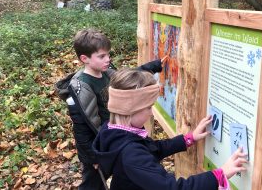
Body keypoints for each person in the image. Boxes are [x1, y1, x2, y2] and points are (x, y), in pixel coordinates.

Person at [93, 69, 248, 190]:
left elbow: (152, 149)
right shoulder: (130, 153)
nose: (151, 112)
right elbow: (171, 187)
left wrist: (189, 138)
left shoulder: (113, 131)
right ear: (131, 109)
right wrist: (219, 175)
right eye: (148, 107)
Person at [55, 28, 165, 190]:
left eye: (108, 54)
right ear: (84, 58)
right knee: (93, 184)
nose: (108, 59)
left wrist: (152, 66)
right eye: (102, 56)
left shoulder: (106, 73)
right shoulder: (81, 87)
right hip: (96, 147)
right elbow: (82, 128)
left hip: (113, 138)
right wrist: (93, 156)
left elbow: (127, 77)